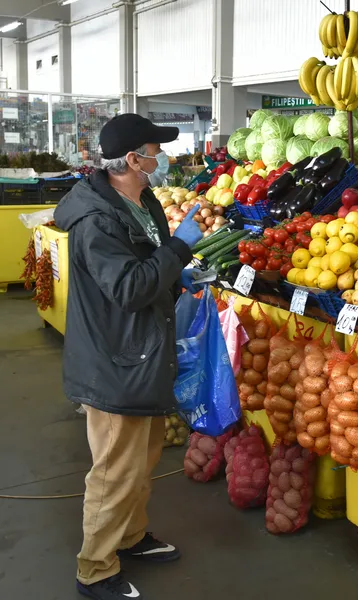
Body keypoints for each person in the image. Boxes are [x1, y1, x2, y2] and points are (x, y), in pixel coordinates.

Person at [54, 113, 203, 600]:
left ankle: (131, 537)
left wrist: (181, 272)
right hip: (115, 359)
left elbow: (151, 267)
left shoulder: (144, 202)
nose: (161, 158)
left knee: (143, 460)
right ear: (133, 160)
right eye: (154, 150)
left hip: (143, 353)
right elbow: (127, 287)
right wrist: (180, 248)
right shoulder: (98, 219)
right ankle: (94, 569)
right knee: (115, 469)